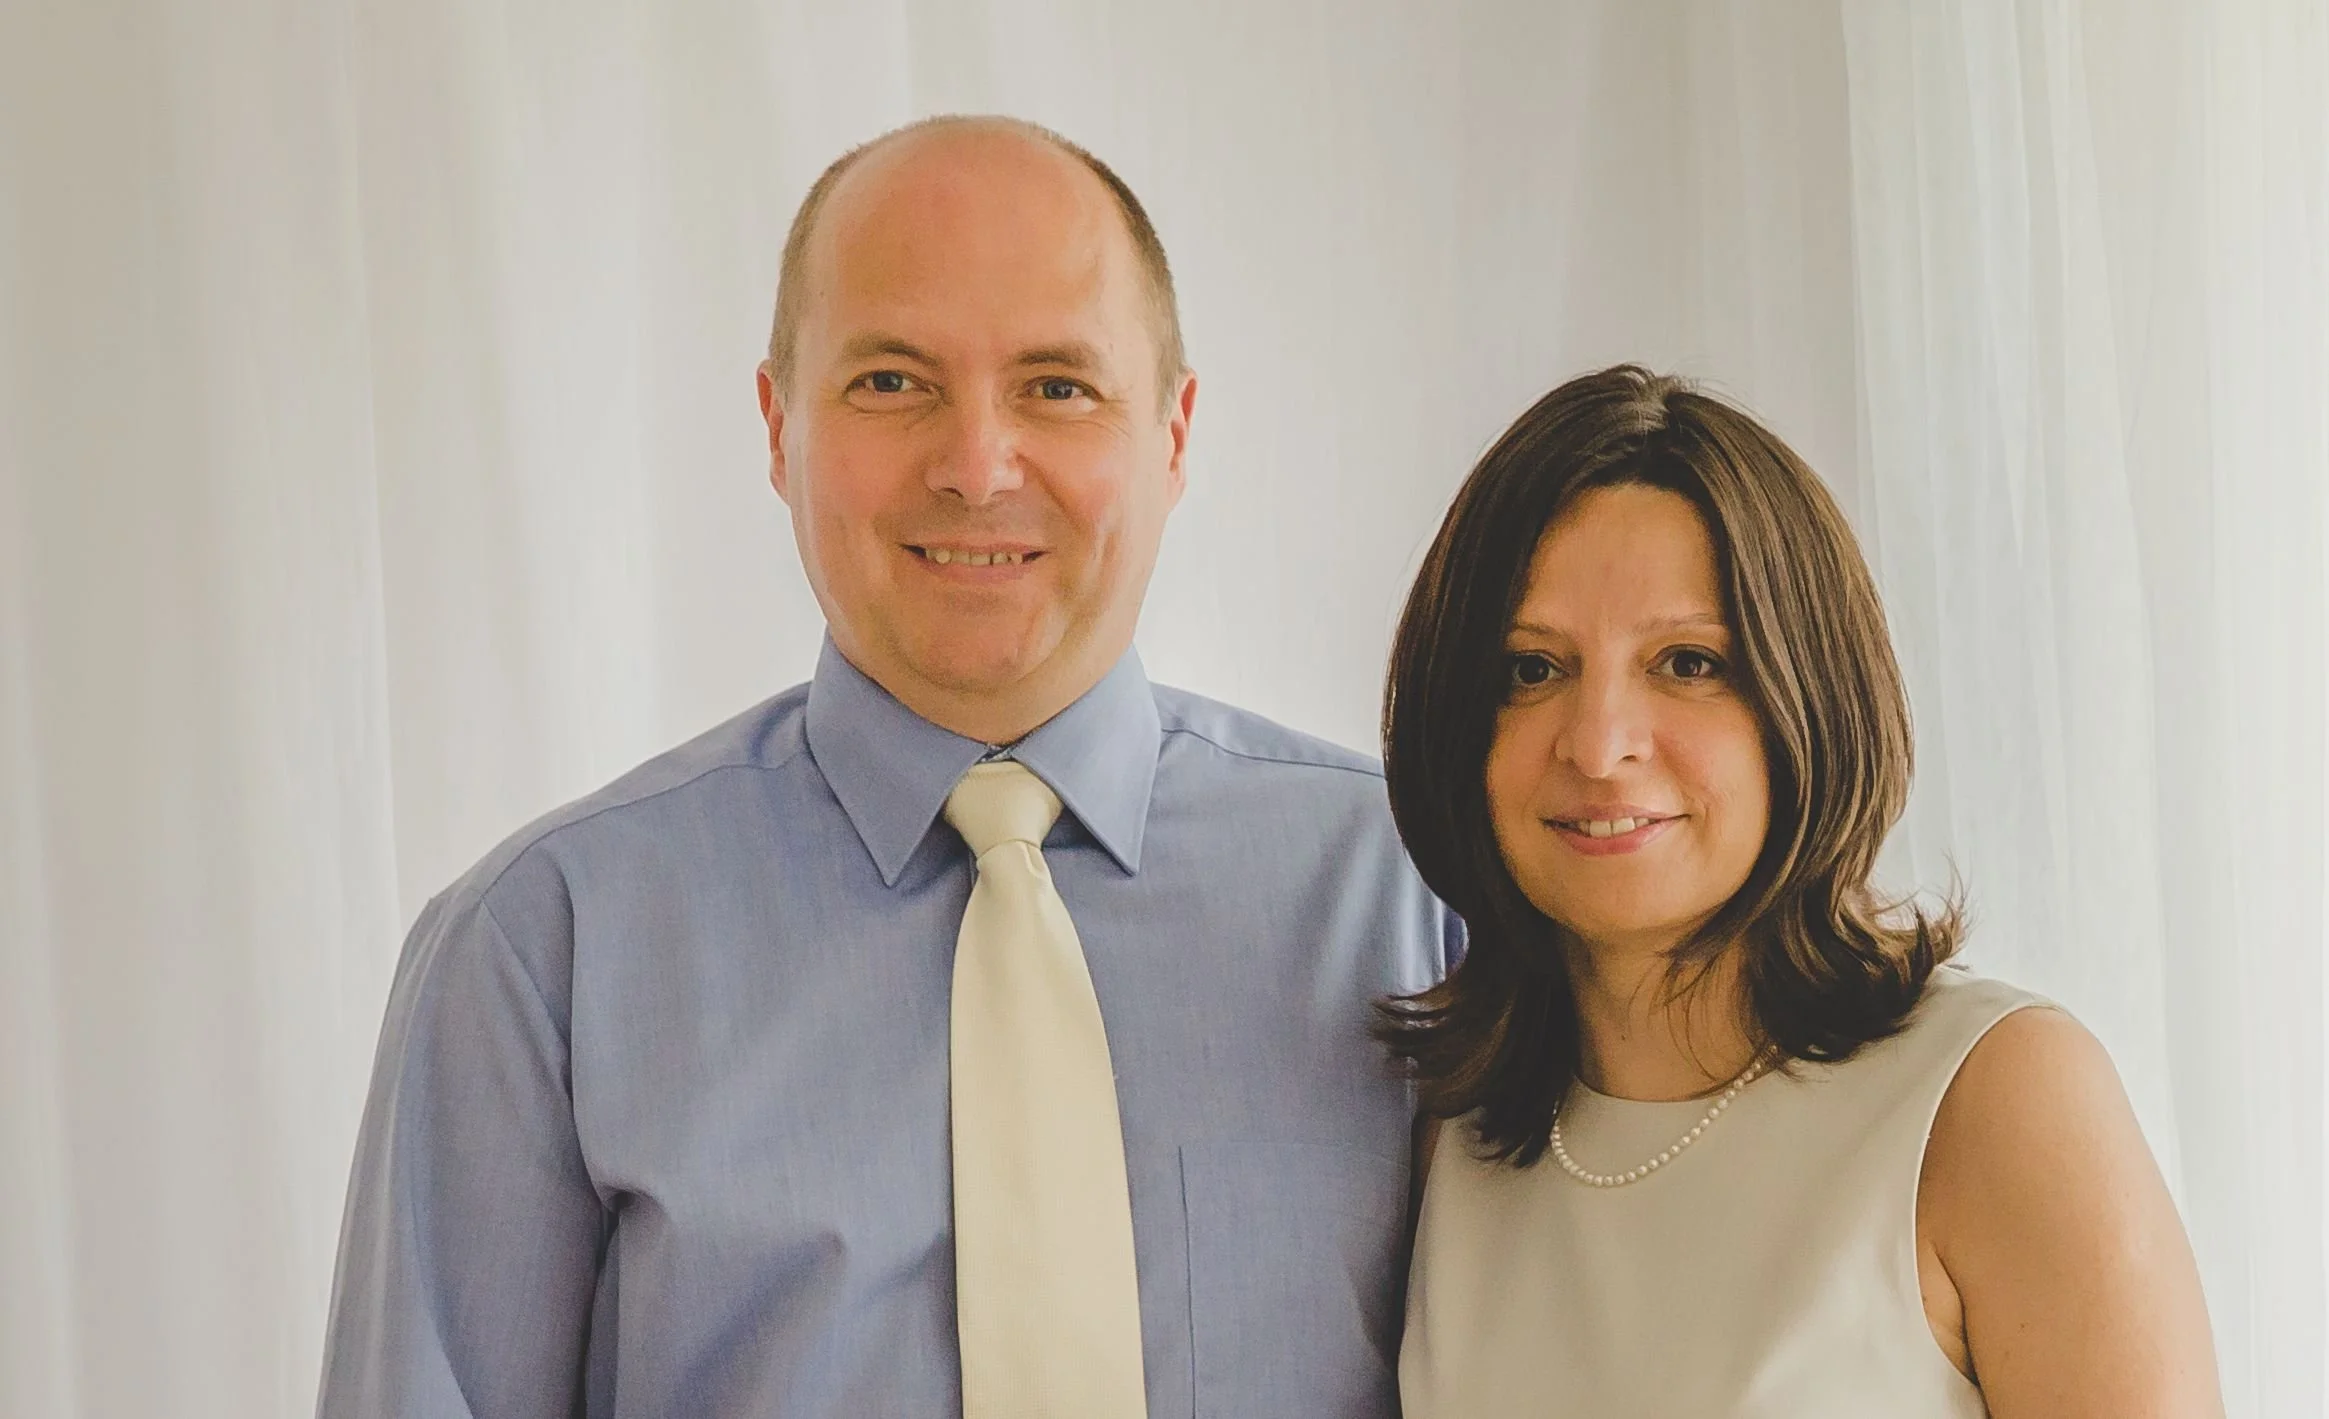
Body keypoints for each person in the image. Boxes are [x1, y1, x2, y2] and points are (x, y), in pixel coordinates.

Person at [315, 115, 1457, 1418]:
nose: (976, 467)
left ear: (1174, 432)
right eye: (891, 382)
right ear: (776, 426)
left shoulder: (1415, 893)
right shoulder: (541, 954)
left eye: (1057, 387)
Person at [1384, 366, 2222, 1417]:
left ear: (1810, 694)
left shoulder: (1993, 1100)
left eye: (1687, 663)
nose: (1597, 745)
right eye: (1530, 669)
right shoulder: (1445, 1141)